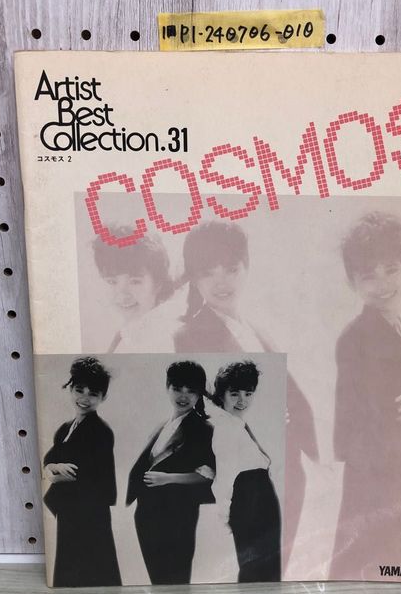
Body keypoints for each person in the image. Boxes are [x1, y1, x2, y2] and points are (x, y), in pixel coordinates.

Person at [173, 220, 318, 571]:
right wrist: (266, 417)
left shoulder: (255, 327)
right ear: (194, 279)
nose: (221, 282)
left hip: (283, 464)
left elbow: (290, 394)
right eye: (208, 273)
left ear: (247, 267)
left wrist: (313, 455)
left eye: (231, 269)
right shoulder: (191, 334)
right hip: (246, 470)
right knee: (257, 568)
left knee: (277, 567)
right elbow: (206, 406)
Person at [329, 211, 401, 579]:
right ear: (352, 282)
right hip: (375, 470)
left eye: (391, 270)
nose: (383, 284)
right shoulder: (356, 338)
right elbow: (390, 406)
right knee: (369, 560)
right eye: (368, 276)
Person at [126, 361, 215, 585]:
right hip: (147, 513)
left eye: (191, 390)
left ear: (199, 394)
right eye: (177, 388)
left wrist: (168, 478)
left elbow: (210, 475)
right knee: (158, 580)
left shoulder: (203, 429)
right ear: (167, 387)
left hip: (178, 514)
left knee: (175, 578)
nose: (183, 396)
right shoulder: (163, 425)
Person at [43, 357, 121, 587]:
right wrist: (53, 468)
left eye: (93, 394)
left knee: (92, 569)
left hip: (90, 511)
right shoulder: (65, 428)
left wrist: (54, 472)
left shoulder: (100, 431)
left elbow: (79, 474)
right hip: (71, 509)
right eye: (79, 390)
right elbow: (49, 460)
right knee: (70, 568)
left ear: (103, 397)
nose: (85, 399)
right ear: (71, 389)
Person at [211, 361, 281, 582]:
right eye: (234, 394)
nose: (242, 400)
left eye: (248, 394)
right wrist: (225, 513)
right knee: (257, 568)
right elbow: (225, 475)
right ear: (221, 395)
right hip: (249, 499)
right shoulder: (225, 428)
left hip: (260, 496)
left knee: (267, 566)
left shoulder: (235, 424)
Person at [92, 225, 173, 352]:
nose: (122, 293)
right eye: (112, 281)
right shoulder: (126, 333)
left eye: (135, 282)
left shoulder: (164, 339)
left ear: (158, 284)